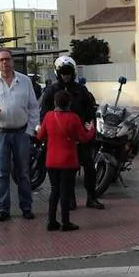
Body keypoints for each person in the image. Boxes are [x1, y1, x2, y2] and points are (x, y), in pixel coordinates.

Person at [0, 48, 40, 222]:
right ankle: (3, 209)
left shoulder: (25, 81)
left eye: (8, 59)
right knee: (1, 173)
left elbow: (34, 108)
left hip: (21, 133)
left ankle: (26, 207)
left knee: (24, 173)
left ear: (12, 61)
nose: (5, 62)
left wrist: (29, 130)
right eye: (1, 60)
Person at [40, 56, 104, 210]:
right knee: (66, 171)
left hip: (80, 136)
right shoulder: (52, 90)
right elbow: (44, 114)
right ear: (58, 73)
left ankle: (91, 197)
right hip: (61, 139)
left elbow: (90, 111)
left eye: (68, 72)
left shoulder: (81, 90)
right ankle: (69, 199)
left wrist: (89, 127)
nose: (66, 75)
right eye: (63, 72)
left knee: (89, 166)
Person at [37, 90, 95, 231]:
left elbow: (40, 136)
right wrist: (91, 129)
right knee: (65, 192)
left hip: (51, 160)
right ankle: (66, 222)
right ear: (69, 103)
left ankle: (51, 221)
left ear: (55, 103)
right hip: (68, 161)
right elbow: (83, 138)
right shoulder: (74, 118)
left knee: (54, 190)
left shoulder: (49, 117)